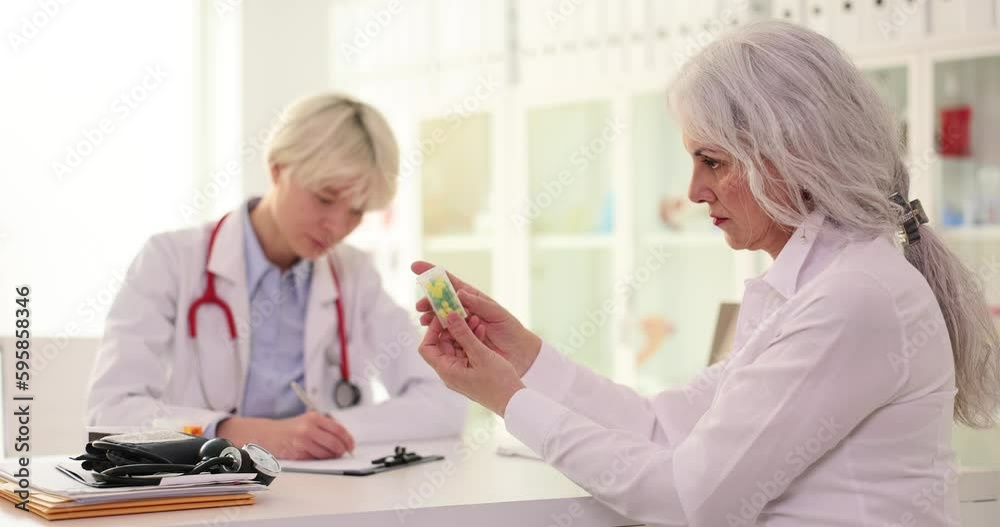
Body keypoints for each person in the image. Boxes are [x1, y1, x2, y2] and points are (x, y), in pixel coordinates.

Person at [411, 21, 1000, 526]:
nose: (693, 192)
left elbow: (692, 498)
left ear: (792, 154)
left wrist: (507, 399)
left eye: (712, 162)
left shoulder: (854, 298)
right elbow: (662, 428)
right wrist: (524, 358)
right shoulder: (808, 288)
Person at [87, 93, 466, 460]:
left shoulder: (354, 275)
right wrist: (233, 432)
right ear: (277, 167)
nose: (337, 226)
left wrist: (327, 429)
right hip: (203, 493)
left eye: (356, 211)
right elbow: (111, 412)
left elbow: (443, 404)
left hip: (325, 497)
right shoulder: (170, 260)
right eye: (324, 197)